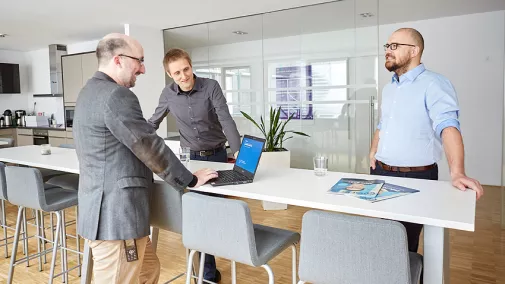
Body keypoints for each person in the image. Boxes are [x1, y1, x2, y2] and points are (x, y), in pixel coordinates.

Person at [73, 33, 218, 284]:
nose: (143, 68)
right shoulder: (116, 95)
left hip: (104, 213)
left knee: (148, 272)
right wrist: (190, 180)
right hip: (116, 219)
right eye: (139, 60)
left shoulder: (88, 92)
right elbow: (147, 145)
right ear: (118, 60)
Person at [370, 27, 484, 260]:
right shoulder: (389, 87)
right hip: (381, 173)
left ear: (414, 51)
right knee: (380, 240)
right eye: (387, 47)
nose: (387, 51)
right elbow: (383, 124)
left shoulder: (434, 84)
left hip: (415, 178)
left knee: (404, 247)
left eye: (394, 46)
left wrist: (457, 171)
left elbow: (448, 126)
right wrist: (373, 151)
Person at [148, 48, 242, 282]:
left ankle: (215, 261)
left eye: (186, 69)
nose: (183, 76)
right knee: (197, 216)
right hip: (191, 161)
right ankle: (207, 273)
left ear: (192, 66)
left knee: (214, 215)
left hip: (218, 157)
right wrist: (134, 141)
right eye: (177, 72)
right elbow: (153, 122)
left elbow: (225, 118)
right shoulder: (168, 94)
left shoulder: (211, 87)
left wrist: (238, 150)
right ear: (170, 74)